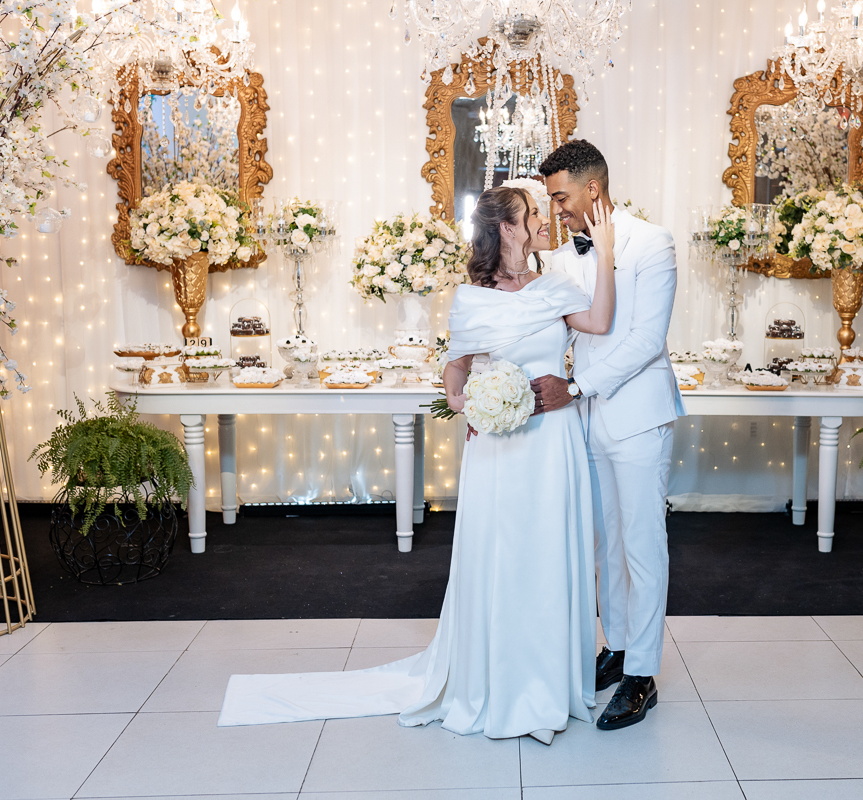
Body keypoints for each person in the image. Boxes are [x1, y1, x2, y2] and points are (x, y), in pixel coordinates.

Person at [217, 186, 618, 747]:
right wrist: (470, 403)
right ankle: (499, 679)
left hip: (554, 443)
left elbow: (600, 321)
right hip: (500, 449)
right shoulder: (472, 299)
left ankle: (549, 680)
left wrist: (607, 252)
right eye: (532, 214)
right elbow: (456, 372)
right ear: (508, 228)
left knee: (549, 550)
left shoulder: (555, 287)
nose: (543, 220)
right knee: (503, 555)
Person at [536, 139, 685, 731]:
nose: (556, 210)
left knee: (642, 546)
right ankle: (618, 647)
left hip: (638, 415)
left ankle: (642, 674)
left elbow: (647, 339)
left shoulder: (652, 242)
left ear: (592, 189)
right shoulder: (563, 255)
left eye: (561, 197)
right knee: (605, 545)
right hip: (586, 422)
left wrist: (577, 386)